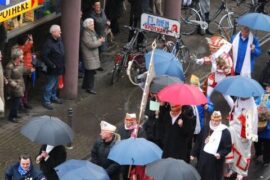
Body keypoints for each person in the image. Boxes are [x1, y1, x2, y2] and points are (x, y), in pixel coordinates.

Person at [191, 111, 232, 180]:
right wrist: (193, 153)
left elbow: (228, 148)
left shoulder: (225, 132)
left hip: (215, 161)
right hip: (203, 159)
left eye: (217, 121)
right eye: (213, 120)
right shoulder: (206, 128)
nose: (214, 122)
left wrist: (220, 154)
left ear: (220, 120)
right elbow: (199, 142)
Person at [225, 97, 258, 179]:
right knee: (233, 150)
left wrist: (249, 135)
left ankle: (241, 172)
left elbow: (253, 121)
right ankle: (232, 169)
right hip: (234, 130)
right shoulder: (238, 100)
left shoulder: (251, 103)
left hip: (244, 133)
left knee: (244, 153)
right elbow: (232, 112)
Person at [5, 47, 34, 123]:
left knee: (17, 102)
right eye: (21, 55)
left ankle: (15, 114)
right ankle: (12, 117)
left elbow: (23, 71)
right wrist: (15, 85)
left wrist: (29, 70)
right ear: (17, 57)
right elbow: (8, 78)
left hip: (21, 86)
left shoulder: (21, 63)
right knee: (15, 102)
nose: (22, 56)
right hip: (14, 87)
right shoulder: (9, 66)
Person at [41, 24, 65, 110]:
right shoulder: (48, 43)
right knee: (50, 84)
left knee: (55, 84)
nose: (60, 32)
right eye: (59, 31)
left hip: (59, 67)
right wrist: (52, 65)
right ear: (53, 32)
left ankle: (53, 97)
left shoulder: (58, 40)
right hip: (52, 68)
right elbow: (44, 56)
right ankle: (46, 101)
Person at [81, 18, 105, 94]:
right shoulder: (86, 33)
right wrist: (100, 41)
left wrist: (99, 40)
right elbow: (91, 44)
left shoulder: (91, 31)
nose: (93, 25)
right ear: (87, 25)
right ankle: (90, 88)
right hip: (89, 56)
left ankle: (85, 85)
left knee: (89, 72)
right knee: (90, 72)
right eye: (91, 24)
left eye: (93, 24)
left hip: (92, 55)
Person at [17, 34, 35, 110]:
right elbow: (25, 49)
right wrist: (31, 42)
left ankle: (25, 102)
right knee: (22, 89)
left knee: (27, 88)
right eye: (27, 40)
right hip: (24, 71)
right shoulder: (20, 48)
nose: (28, 41)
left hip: (29, 70)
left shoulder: (26, 47)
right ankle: (21, 105)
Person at [254, 86, 270, 166]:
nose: (268, 88)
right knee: (257, 142)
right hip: (259, 127)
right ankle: (258, 154)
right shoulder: (263, 96)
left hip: (267, 129)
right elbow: (255, 104)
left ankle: (266, 160)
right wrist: (257, 108)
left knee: (267, 145)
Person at [0, 50, 5, 118]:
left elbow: (1, 73)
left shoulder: (0, 63)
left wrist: (4, 79)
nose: (1, 56)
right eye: (0, 54)